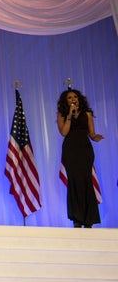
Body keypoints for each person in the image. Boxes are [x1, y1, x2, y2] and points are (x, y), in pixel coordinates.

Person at [56, 88, 104, 228]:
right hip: (71, 151)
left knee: (86, 182)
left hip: (85, 151)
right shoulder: (62, 114)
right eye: (70, 97)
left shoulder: (87, 114)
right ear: (66, 101)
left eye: (75, 97)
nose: (73, 99)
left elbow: (92, 133)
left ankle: (88, 219)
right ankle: (77, 219)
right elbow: (64, 132)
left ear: (79, 99)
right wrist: (70, 115)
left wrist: (96, 137)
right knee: (74, 183)